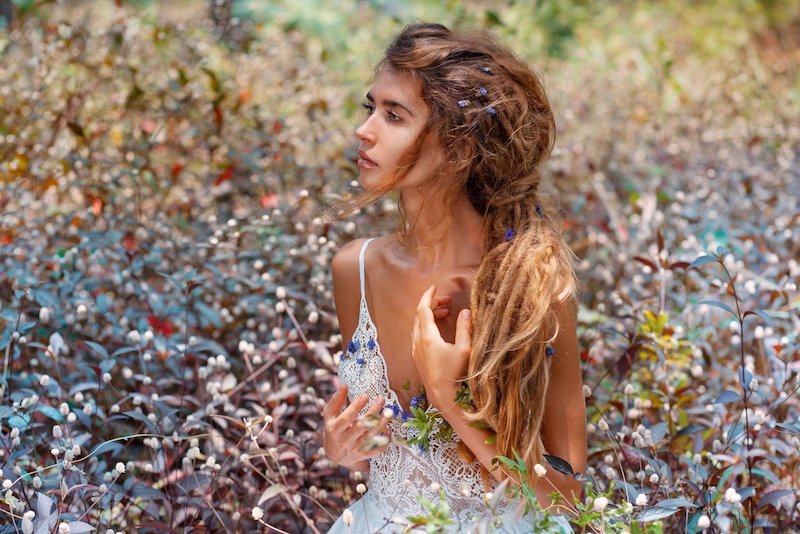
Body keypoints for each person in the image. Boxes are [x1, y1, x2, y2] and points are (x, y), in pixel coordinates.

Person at [323, 22, 587, 533]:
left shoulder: (530, 285)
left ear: (461, 147)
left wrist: (451, 398)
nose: (365, 129)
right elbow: (384, 460)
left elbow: (570, 502)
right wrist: (341, 445)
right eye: (370, 108)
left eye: (394, 115)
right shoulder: (354, 268)